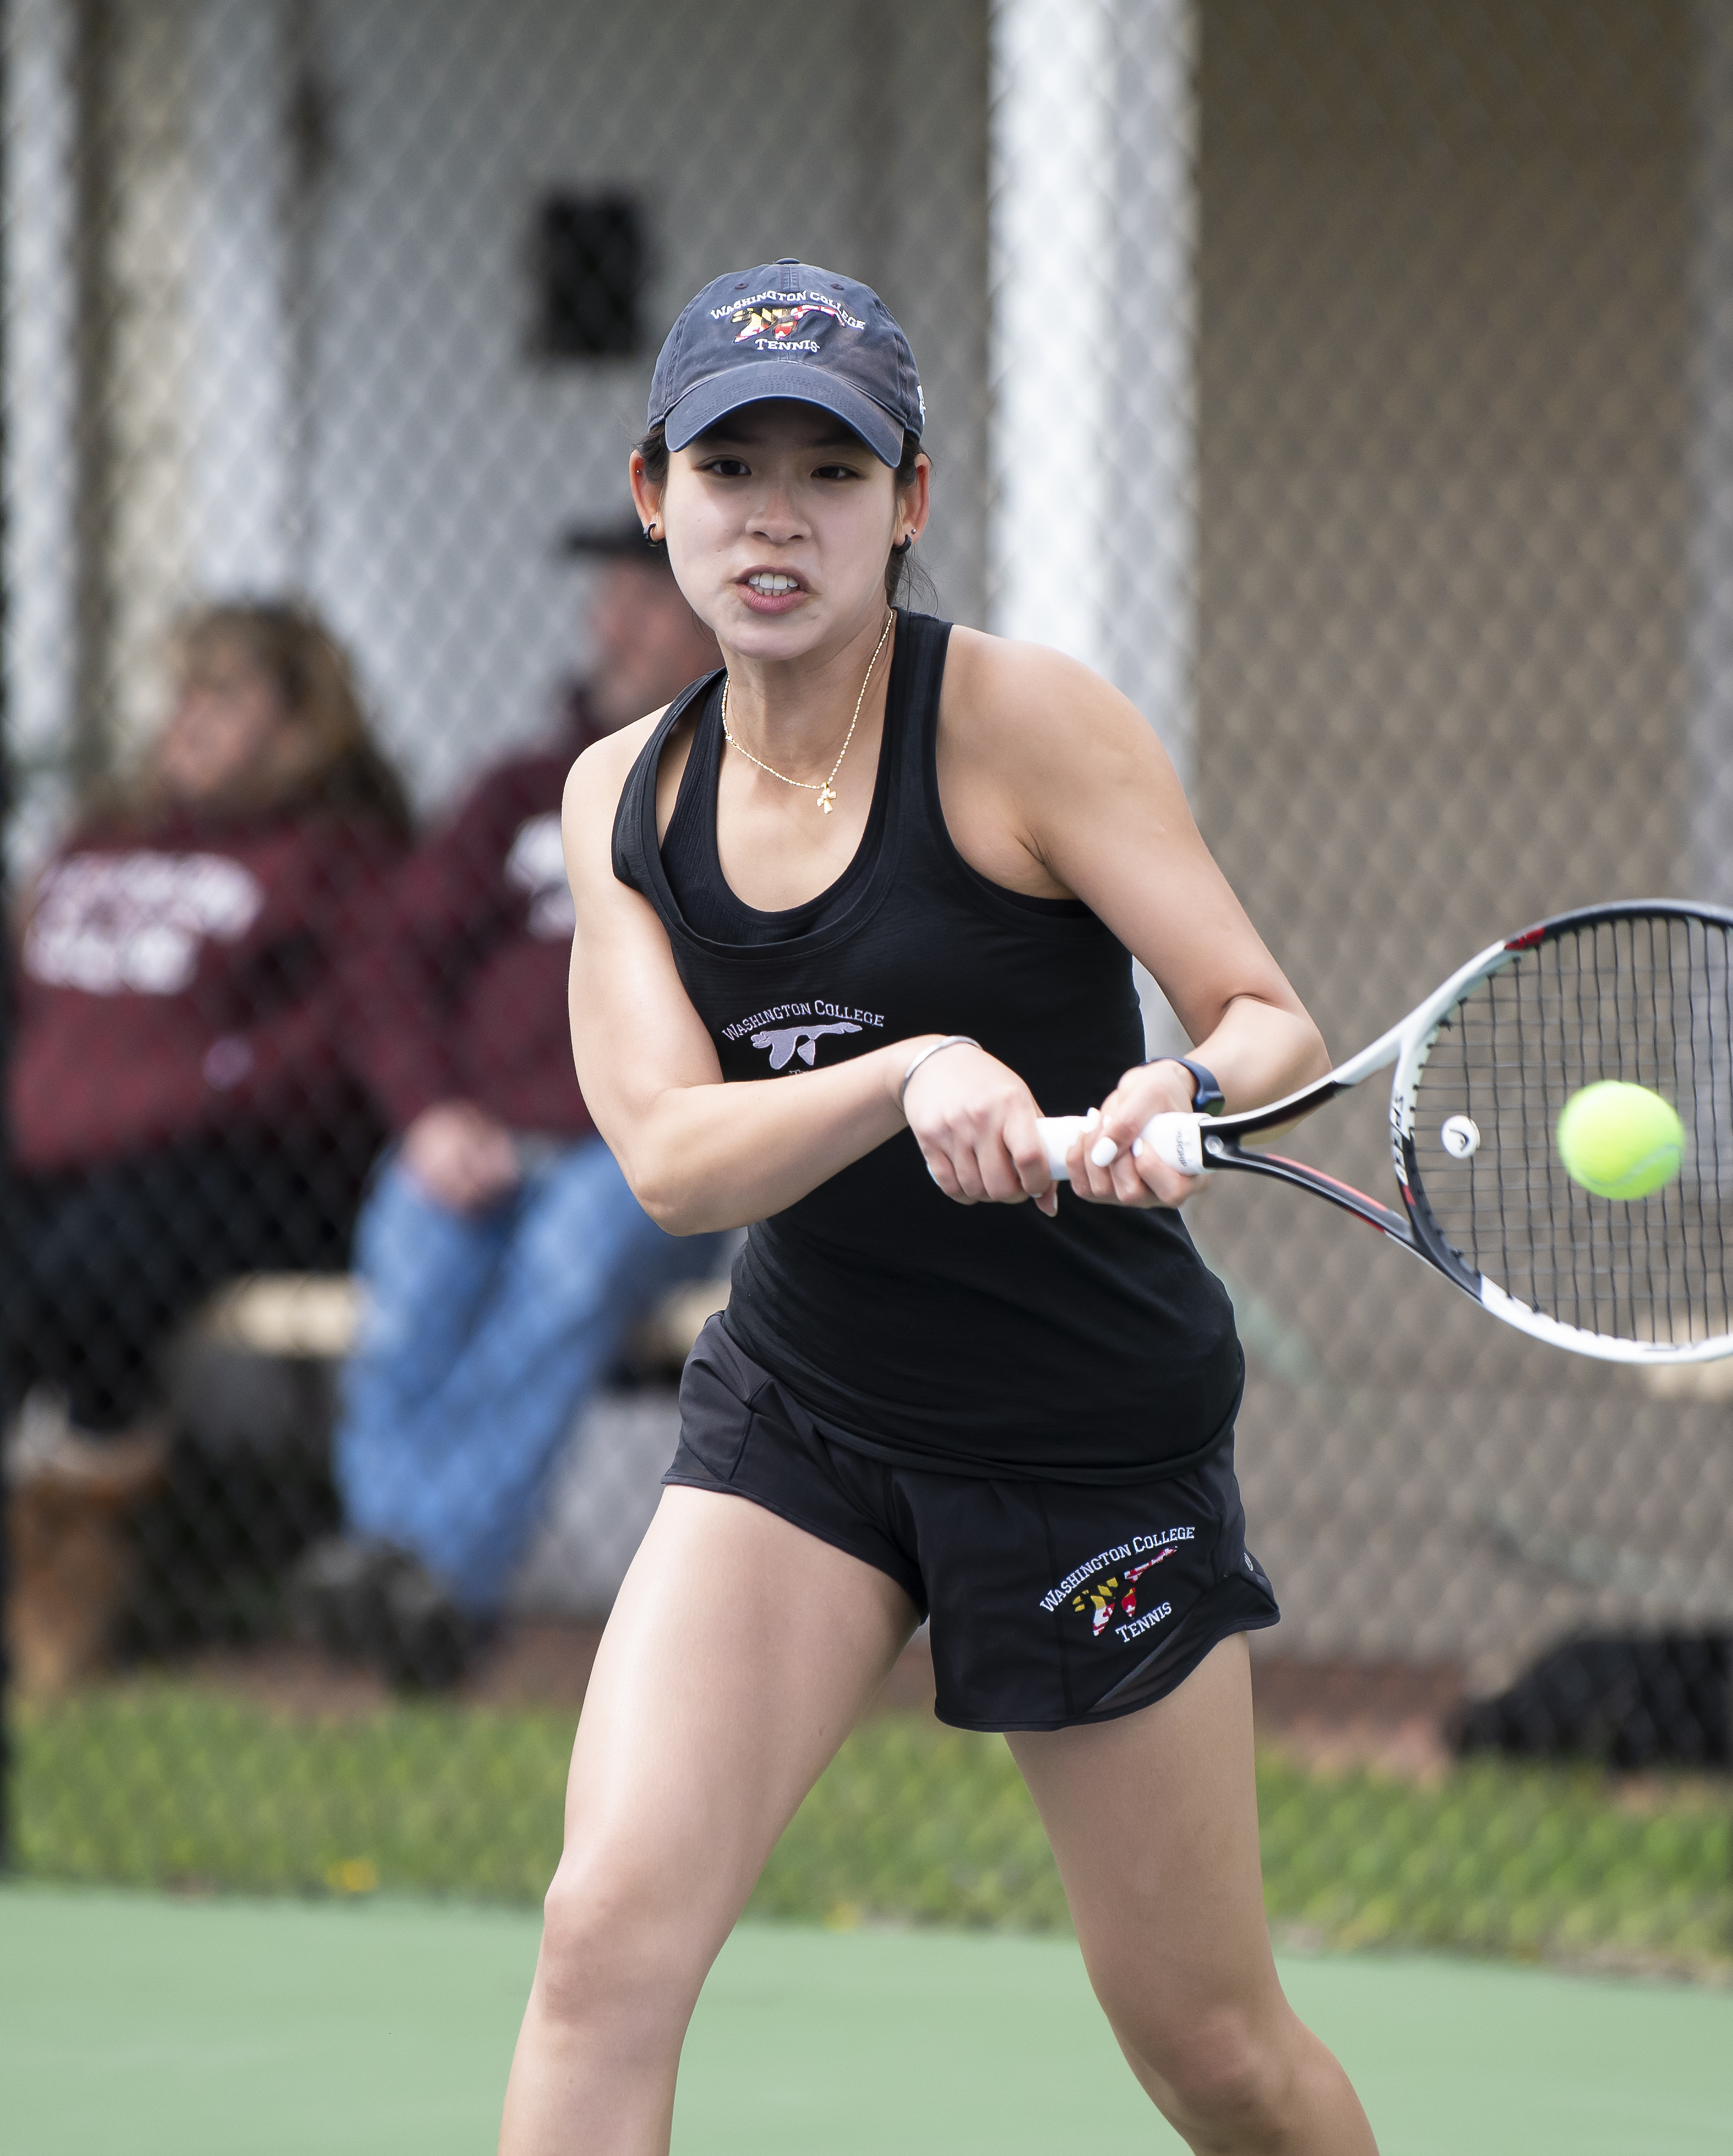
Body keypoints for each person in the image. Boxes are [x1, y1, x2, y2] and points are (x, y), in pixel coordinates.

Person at [501, 260, 1377, 2153]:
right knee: (599, 1951)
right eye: (731, 467)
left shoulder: (1019, 726)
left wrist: (1175, 1091)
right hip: (804, 1419)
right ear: (657, 494)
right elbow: (664, 1154)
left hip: (1085, 1446)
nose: (775, 518)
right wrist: (910, 1071)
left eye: (831, 472)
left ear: (905, 504)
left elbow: (1264, 1016)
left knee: (1209, 2054)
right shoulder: (623, 802)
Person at [0, 600, 408, 1695]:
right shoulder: (100, 841)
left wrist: (186, 1090)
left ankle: (77, 1515)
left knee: (89, 1278)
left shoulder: (337, 859)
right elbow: (7, 1004)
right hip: (56, 1157)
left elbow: (342, 1038)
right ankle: (6, 1534)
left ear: (303, 723)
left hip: (246, 1165)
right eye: (181, 694)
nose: (187, 721)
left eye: (225, 696)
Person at [290, 527, 723, 1684]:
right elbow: (389, 966)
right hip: (481, 1140)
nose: (608, 627)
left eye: (644, 603)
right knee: (413, 1275)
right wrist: (430, 1112)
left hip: (646, 1151)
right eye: (610, 601)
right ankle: (413, 1580)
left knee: (566, 1272)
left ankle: (421, 1576)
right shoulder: (525, 793)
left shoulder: (753, 796)